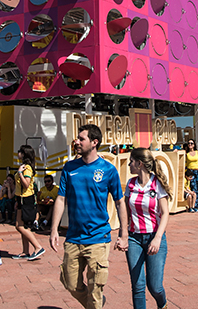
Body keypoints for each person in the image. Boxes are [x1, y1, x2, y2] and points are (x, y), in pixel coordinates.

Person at [50, 125, 128, 309]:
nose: (76, 142)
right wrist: (54, 229)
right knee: (70, 282)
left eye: (81, 139)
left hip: (98, 238)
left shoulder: (108, 170)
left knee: (95, 288)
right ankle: (97, 304)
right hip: (73, 237)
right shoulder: (69, 168)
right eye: (77, 138)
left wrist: (123, 234)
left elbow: (120, 202)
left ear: (94, 143)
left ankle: (96, 303)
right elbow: (61, 199)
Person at [124, 148, 170, 309]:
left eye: (131, 161)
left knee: (155, 286)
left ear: (139, 163)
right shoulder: (130, 184)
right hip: (134, 238)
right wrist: (123, 234)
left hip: (154, 237)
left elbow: (165, 213)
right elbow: (125, 212)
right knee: (137, 286)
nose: (129, 164)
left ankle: (162, 303)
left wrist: (157, 238)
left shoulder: (157, 184)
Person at [13, 144, 45, 260]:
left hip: (26, 198)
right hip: (21, 198)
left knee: (20, 226)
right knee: (23, 225)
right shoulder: (24, 166)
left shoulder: (27, 168)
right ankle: (25, 251)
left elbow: (26, 184)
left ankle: (37, 247)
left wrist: (20, 173)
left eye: (20, 152)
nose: (18, 154)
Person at [184, 140, 198, 211]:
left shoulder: (197, 152)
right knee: (193, 187)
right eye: (189, 143)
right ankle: (193, 205)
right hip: (190, 171)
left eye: (191, 143)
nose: (190, 145)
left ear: (194, 145)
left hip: (197, 170)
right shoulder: (187, 153)